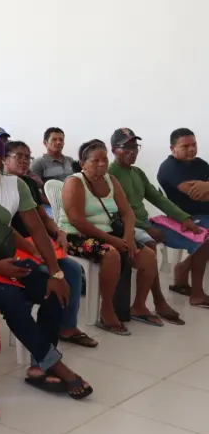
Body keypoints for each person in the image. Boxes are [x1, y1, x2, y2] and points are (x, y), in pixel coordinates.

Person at [0, 133, 93, 400]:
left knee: (56, 289)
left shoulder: (15, 186)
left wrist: (56, 272)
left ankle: (38, 367)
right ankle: (54, 363)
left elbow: (37, 229)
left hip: (0, 263)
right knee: (10, 296)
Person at [60, 139, 166, 334]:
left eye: (105, 159)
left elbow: (127, 212)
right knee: (111, 254)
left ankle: (139, 305)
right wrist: (112, 241)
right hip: (76, 236)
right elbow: (76, 220)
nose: (102, 164)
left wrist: (128, 236)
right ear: (83, 164)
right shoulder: (75, 182)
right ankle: (107, 308)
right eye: (95, 160)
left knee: (148, 256)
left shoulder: (111, 180)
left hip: (109, 234)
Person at [3, 141, 97, 348]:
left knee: (72, 269)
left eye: (27, 157)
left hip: (35, 243)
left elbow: (42, 218)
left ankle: (67, 327)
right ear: (4, 159)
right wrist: (34, 250)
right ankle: (33, 334)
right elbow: (4, 228)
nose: (24, 161)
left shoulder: (28, 183)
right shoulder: (0, 186)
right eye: (19, 156)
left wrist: (58, 231)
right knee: (47, 275)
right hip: (14, 247)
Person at [109, 128, 209, 310]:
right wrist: (146, 228)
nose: (133, 151)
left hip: (147, 223)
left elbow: (159, 199)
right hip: (127, 226)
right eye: (127, 147)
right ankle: (159, 301)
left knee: (203, 238)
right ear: (114, 150)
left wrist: (184, 219)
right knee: (153, 246)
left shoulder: (137, 172)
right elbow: (115, 212)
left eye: (135, 146)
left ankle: (194, 292)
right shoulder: (110, 174)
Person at [157, 127, 209, 306]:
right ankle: (197, 293)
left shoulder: (200, 164)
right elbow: (198, 195)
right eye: (185, 146)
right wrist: (205, 187)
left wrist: (206, 186)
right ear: (173, 148)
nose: (192, 149)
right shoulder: (169, 168)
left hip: (204, 214)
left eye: (194, 144)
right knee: (206, 238)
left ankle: (182, 269)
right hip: (184, 218)